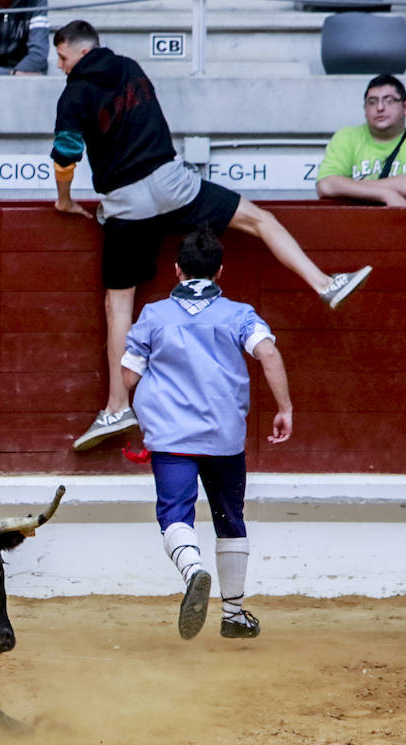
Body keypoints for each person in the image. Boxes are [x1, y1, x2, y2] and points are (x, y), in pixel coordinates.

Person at [48, 20, 369, 453]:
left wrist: (65, 200)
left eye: (62, 57)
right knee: (260, 220)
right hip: (171, 182)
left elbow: (67, 154)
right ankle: (326, 284)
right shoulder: (130, 69)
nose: (60, 65)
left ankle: (118, 405)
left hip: (126, 201)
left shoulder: (73, 94)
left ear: (79, 53)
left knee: (118, 303)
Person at [121, 227, 290, 642]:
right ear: (219, 270)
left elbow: (128, 375)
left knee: (174, 514)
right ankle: (233, 615)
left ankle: (193, 569)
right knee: (230, 519)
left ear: (177, 270)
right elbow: (267, 352)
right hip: (223, 437)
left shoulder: (154, 315)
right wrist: (285, 407)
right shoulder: (239, 314)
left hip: (171, 438)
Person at [316, 74, 406, 207]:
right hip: (355, 224)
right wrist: (386, 194)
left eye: (389, 101)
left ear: (405, 107)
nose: (380, 108)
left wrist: (348, 186)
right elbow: (326, 185)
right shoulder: (346, 137)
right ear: (365, 109)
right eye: (372, 102)